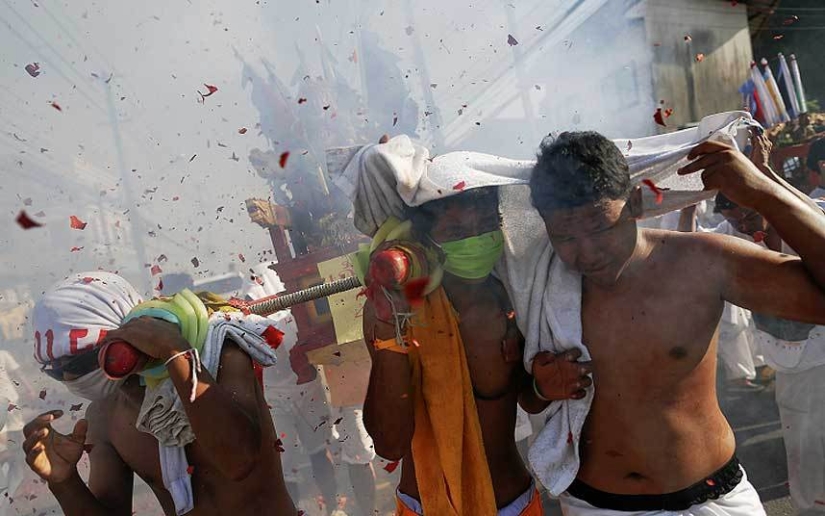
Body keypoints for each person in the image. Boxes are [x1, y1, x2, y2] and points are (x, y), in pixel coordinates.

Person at [526, 131, 825, 515]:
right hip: (597, 506)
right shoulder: (540, 284)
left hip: (712, 499)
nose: (586, 252)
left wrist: (763, 190)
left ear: (634, 201)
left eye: (600, 227)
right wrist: (539, 386)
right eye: (564, 236)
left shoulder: (701, 263)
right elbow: (521, 397)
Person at [362, 187, 588, 515]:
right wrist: (389, 334)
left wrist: (543, 384)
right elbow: (390, 443)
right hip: (426, 505)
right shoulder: (395, 310)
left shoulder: (513, 295)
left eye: (487, 224)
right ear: (426, 239)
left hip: (512, 503)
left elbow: (528, 399)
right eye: (456, 232)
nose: (477, 239)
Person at [23, 272, 296, 516]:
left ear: (126, 336)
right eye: (56, 372)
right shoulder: (103, 416)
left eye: (77, 364)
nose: (70, 379)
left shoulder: (220, 355)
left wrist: (175, 353)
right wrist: (64, 482)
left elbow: (239, 461)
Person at [242, 262, 377, 516]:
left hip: (309, 387)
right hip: (274, 395)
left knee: (318, 450)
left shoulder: (299, 296)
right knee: (285, 462)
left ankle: (334, 506)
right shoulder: (249, 302)